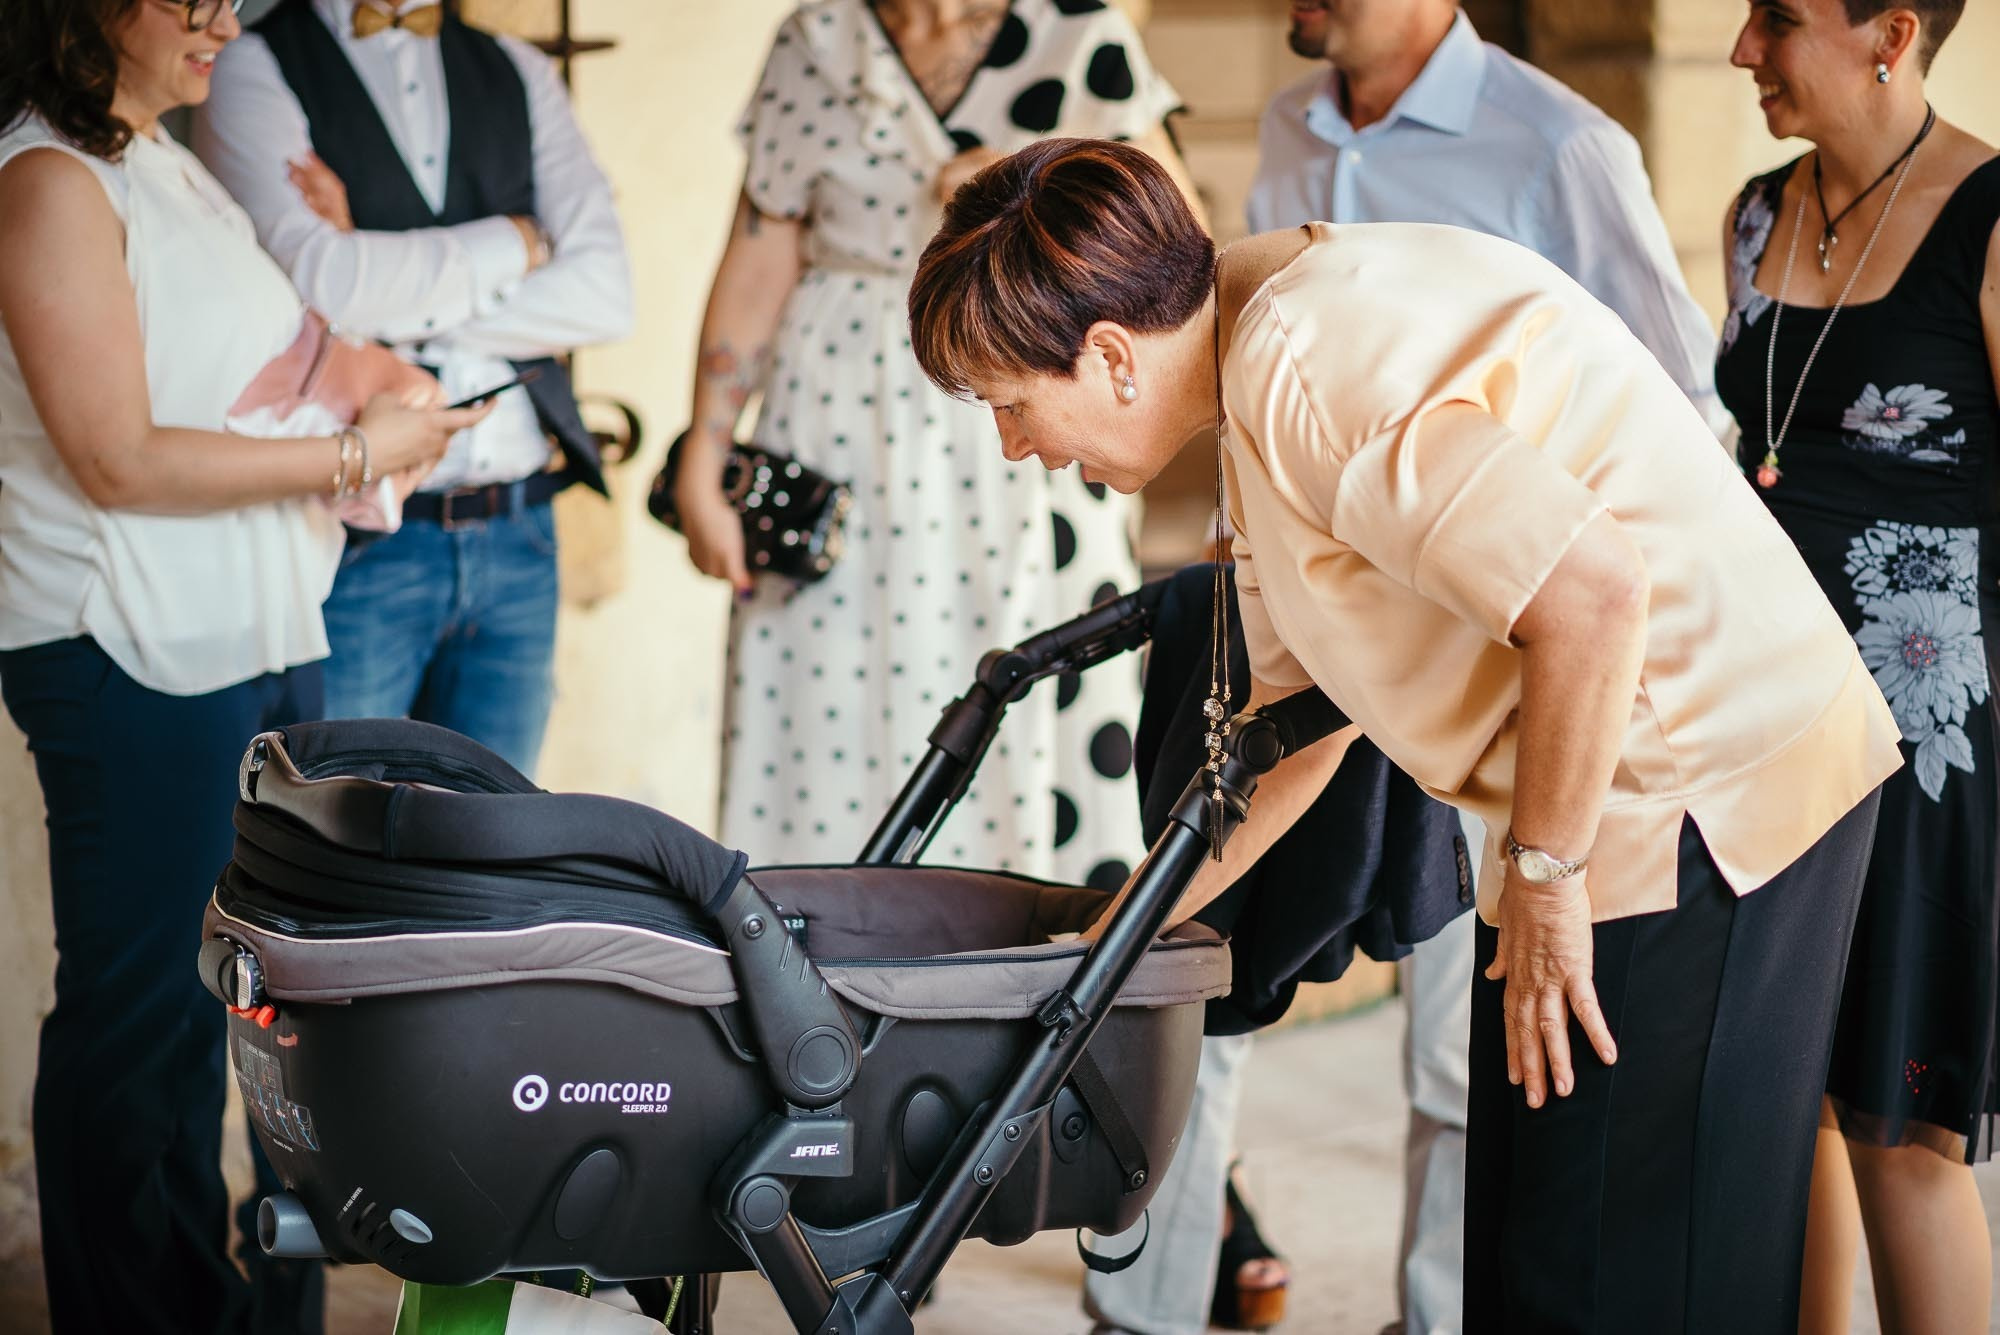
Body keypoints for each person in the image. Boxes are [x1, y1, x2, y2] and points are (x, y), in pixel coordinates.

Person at [908, 137, 1901, 1333]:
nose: (1016, 447)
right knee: (1546, 1253)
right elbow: (1288, 734)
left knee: (1606, 1269)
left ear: (1112, 356)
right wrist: (1109, 942)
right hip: (1616, 792)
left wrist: (1543, 879)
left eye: (1011, 404)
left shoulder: (1306, 367)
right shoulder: (1255, 351)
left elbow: (1592, 595)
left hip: (1696, 787)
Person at [1174, 6, 1733, 1332]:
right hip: (1342, 637)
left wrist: (1534, 596)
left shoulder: (1561, 147)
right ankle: (1169, 1286)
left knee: (1464, 1029)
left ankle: (1437, 1313)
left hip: (1520, 655)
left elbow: (1675, 402)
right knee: (1251, 954)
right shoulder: (1288, 126)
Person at [0, 2, 481, 1331]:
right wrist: (359, 454)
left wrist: (368, 402)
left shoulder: (165, 163)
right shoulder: (47, 180)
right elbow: (117, 456)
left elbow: (246, 379)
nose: (224, 17)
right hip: (133, 645)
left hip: (252, 634)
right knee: (140, 1022)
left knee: (242, 1015)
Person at [678, 0, 1196, 885]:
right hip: (838, 427)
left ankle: (1019, 943)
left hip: (1033, 425)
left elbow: (1176, 251)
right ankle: (822, 937)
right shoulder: (817, 40)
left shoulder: (1080, 33)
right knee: (824, 697)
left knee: (1026, 681)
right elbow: (760, 259)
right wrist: (705, 453)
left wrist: (1030, 196)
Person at [1717, 2, 1996, 1331]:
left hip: (1923, 748)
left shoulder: (1991, 220)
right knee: (1786, 1116)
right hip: (1758, 725)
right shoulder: (1752, 215)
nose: (1741, 50)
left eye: (1776, 19)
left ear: (1888, 32)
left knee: (1899, 1136)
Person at [194, 0, 634, 778]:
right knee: (332, 825)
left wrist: (378, 283)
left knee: (499, 836)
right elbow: (321, 281)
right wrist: (523, 242)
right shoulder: (249, 64)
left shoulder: (520, 70)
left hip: (521, 529)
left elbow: (605, 294)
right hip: (358, 540)